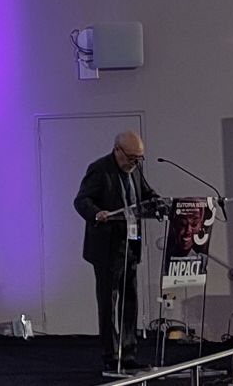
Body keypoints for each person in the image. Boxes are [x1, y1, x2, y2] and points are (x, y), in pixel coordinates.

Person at [74, 131, 160, 378]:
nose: (134, 163)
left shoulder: (135, 171)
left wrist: (158, 202)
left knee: (130, 300)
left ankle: (129, 353)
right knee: (109, 303)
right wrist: (97, 213)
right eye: (132, 157)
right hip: (106, 248)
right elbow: (81, 201)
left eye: (139, 159)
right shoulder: (99, 169)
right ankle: (111, 356)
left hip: (130, 246)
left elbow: (146, 194)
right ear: (117, 150)